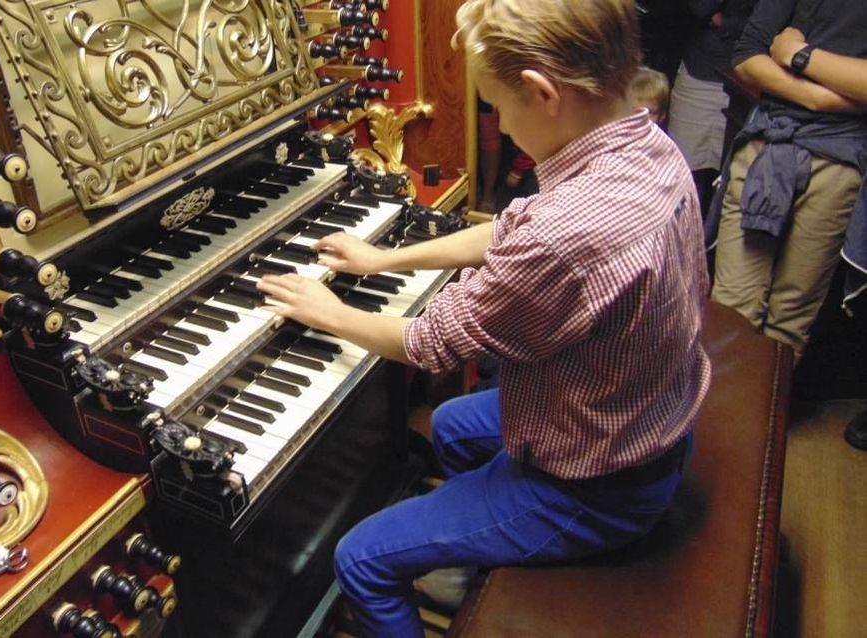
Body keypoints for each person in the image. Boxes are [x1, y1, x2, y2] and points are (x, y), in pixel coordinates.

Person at [257, 0, 711, 635]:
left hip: (599, 488)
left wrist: (329, 311)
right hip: (640, 420)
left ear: (541, 93)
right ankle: (477, 552)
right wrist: (384, 259)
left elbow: (425, 343)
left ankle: (498, 540)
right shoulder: (642, 140)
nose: (500, 121)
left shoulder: (570, 232)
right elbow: (511, 229)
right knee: (449, 424)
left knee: (359, 559)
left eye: (497, 106)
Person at [706, 0, 867, 365]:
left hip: (837, 159)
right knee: (732, 310)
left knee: (790, 319)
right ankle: (726, 421)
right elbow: (747, 56)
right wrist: (820, 97)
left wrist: (798, 54)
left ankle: (762, 421)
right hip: (767, 145)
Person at [667, 0, 758, 214]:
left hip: (749, 83)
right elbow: (701, 8)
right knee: (679, 174)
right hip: (700, 70)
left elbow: (774, 25)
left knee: (731, 183)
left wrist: (726, 23)